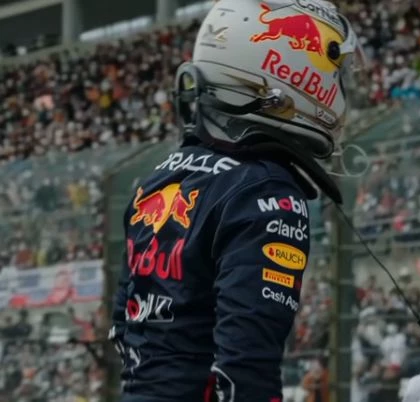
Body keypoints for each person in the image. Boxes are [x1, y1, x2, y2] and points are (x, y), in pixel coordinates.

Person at [109, 1, 365, 401]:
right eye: (336, 71)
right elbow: (246, 364)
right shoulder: (267, 192)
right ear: (290, 69)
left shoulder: (156, 180)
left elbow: (122, 327)